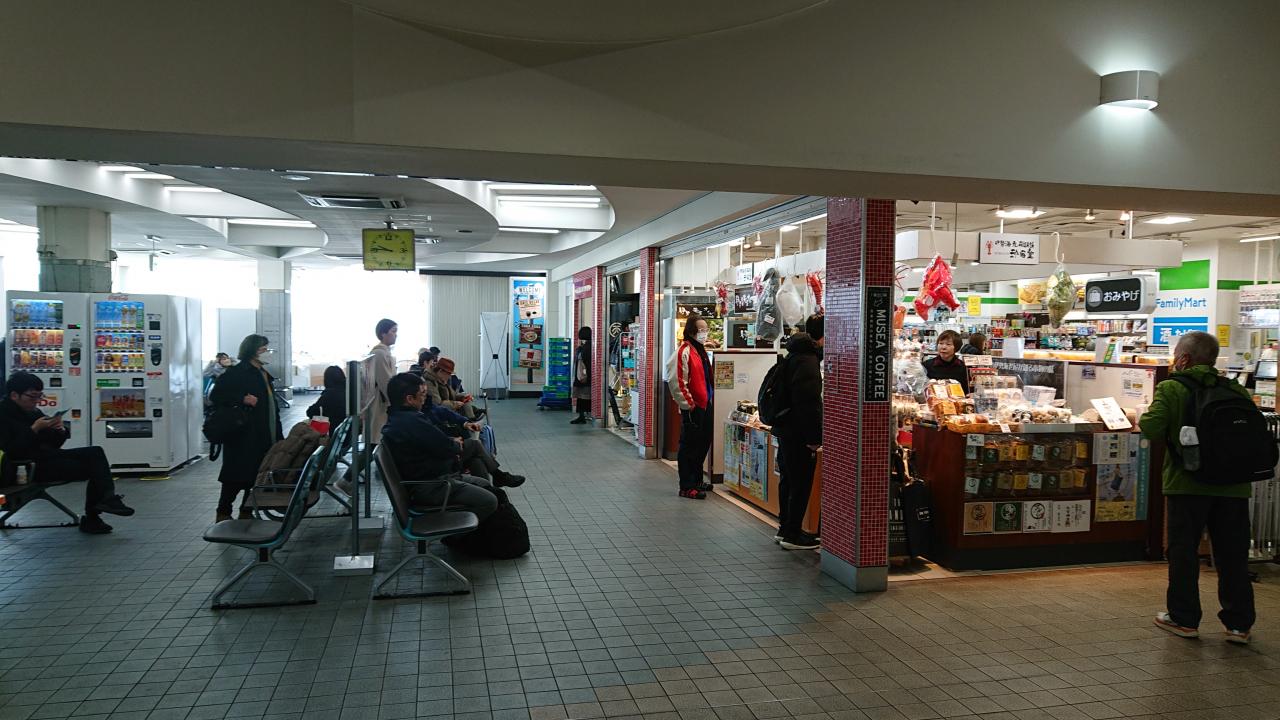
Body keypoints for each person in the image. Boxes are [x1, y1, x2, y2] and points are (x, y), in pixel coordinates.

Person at [1140, 331, 1255, 645]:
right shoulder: (1236, 389)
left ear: (1184, 358)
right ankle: (1238, 625)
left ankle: (1184, 618)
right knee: (1233, 555)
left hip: (1187, 483)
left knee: (1183, 552)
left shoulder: (1172, 387)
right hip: (1233, 486)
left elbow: (1152, 428)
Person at [0, 372, 134, 534]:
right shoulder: (3, 415)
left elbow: (53, 443)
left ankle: (106, 500)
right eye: (33, 396)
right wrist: (34, 429)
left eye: (39, 396)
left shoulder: (32, 411)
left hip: (45, 458)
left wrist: (59, 430)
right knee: (95, 467)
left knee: (95, 453)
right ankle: (95, 515)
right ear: (14, 395)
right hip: (24, 467)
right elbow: (13, 450)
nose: (37, 401)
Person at [380, 373, 498, 522]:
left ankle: (483, 526)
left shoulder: (398, 418)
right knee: (489, 501)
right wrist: (455, 444)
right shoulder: (413, 421)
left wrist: (451, 443)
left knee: (483, 479)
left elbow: (435, 442)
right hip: (431, 486)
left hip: (427, 479)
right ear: (409, 399)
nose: (425, 398)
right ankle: (459, 532)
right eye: (422, 394)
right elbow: (446, 447)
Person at [209, 334, 283, 522]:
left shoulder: (263, 373)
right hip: (242, 434)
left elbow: (271, 407)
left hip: (264, 433)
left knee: (257, 475)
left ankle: (246, 510)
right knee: (235, 475)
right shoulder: (238, 372)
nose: (268, 353)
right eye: (264, 349)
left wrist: (278, 435)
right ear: (253, 351)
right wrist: (241, 398)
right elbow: (216, 395)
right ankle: (223, 511)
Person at [774, 316, 825, 549]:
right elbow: (808, 403)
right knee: (800, 483)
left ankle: (785, 528)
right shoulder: (808, 360)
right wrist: (814, 438)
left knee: (788, 479)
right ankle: (793, 535)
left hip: (785, 428)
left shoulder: (794, 354)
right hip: (797, 432)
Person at [422, 393, 524, 487]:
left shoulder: (426, 406)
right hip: (437, 461)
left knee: (476, 460)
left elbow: (444, 412)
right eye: (422, 393)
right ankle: (498, 477)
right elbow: (430, 437)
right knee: (474, 445)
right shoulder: (417, 416)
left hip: (446, 450)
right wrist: (452, 440)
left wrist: (466, 423)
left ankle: (490, 491)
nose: (425, 396)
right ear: (413, 397)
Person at [672, 312, 714, 499]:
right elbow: (677, 381)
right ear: (691, 332)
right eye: (701, 329)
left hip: (705, 405)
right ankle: (686, 486)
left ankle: (697, 480)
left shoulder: (701, 351)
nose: (704, 333)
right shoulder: (684, 351)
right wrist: (688, 404)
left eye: (706, 329)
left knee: (702, 444)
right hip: (693, 407)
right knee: (689, 446)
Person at [367, 318, 398, 444]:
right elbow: (386, 382)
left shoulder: (385, 352)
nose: (396, 335)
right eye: (393, 331)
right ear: (383, 333)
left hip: (384, 400)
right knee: (378, 437)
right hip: (380, 401)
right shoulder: (379, 353)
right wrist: (397, 401)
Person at [305, 365, 348, 436]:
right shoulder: (349, 391)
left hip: (332, 433)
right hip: (346, 433)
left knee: (302, 427)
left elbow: (311, 412)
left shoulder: (330, 394)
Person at [923, 329, 969, 394]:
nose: (943, 347)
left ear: (956, 347)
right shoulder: (927, 365)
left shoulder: (963, 367)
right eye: (941, 343)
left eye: (948, 344)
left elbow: (967, 391)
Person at [571, 326, 593, 425]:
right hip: (588, 376)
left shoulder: (583, 348)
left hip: (583, 376)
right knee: (585, 397)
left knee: (582, 397)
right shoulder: (591, 347)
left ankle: (582, 416)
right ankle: (585, 415)